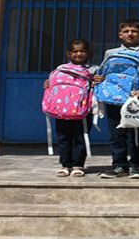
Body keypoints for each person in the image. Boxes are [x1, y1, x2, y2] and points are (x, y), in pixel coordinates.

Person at [94, 19, 139, 179]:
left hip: (138, 99)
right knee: (117, 133)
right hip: (114, 99)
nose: (130, 34)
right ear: (120, 34)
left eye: (134, 31)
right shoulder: (110, 53)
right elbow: (104, 73)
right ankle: (119, 165)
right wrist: (100, 80)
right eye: (126, 31)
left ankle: (137, 164)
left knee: (138, 134)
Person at [44, 39, 97, 177]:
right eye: (75, 51)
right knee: (64, 138)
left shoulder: (93, 70)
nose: (78, 54)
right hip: (62, 110)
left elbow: (99, 86)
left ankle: (78, 164)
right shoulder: (60, 69)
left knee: (81, 138)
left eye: (82, 51)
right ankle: (65, 165)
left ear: (88, 53)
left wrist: (99, 81)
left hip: (83, 110)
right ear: (68, 53)